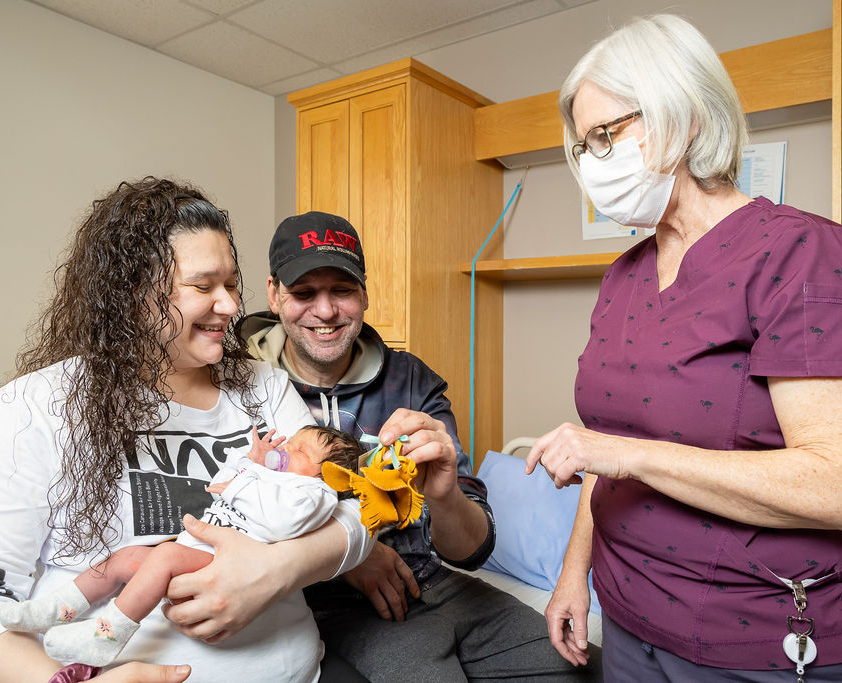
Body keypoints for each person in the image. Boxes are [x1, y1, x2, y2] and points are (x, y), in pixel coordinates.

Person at [524, 13, 842, 681]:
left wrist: (621, 453)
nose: (593, 162)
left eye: (607, 134)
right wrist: (573, 573)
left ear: (685, 116)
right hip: (633, 620)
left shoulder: (805, 254)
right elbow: (604, 442)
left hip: (768, 639)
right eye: (585, 147)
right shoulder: (624, 276)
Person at [0, 178, 374, 683]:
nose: (230, 306)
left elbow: (355, 512)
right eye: (203, 287)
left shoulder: (264, 386)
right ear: (129, 295)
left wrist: (279, 570)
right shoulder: (36, 407)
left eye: (230, 283)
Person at [238, 210, 599, 680]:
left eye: (342, 291)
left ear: (364, 292)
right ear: (274, 294)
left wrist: (446, 494)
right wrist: (351, 555)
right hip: (332, 608)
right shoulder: (242, 388)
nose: (325, 312)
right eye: (304, 293)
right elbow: (232, 514)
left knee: (587, 669)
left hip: (441, 586)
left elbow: (471, 551)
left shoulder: (412, 381)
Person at [0, 425, 361, 670]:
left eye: (299, 450)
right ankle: (58, 610)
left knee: (166, 555)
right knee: (127, 558)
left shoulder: (315, 494)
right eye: (289, 441)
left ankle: (106, 635)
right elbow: (218, 485)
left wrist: (245, 482)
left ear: (327, 473)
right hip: (199, 549)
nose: (285, 449)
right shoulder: (273, 475)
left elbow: (283, 521)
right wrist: (248, 463)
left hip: (225, 565)